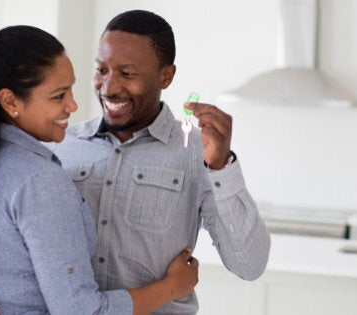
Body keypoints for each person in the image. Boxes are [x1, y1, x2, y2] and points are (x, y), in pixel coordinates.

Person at [0, 21, 198, 315]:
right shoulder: (39, 179)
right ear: (10, 101)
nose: (73, 106)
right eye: (58, 96)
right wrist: (173, 287)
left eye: (71, 89)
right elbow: (83, 311)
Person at [49, 10, 271, 314]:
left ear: (166, 76)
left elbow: (250, 264)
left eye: (127, 73)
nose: (109, 87)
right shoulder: (63, 145)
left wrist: (221, 166)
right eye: (102, 69)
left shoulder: (198, 151)